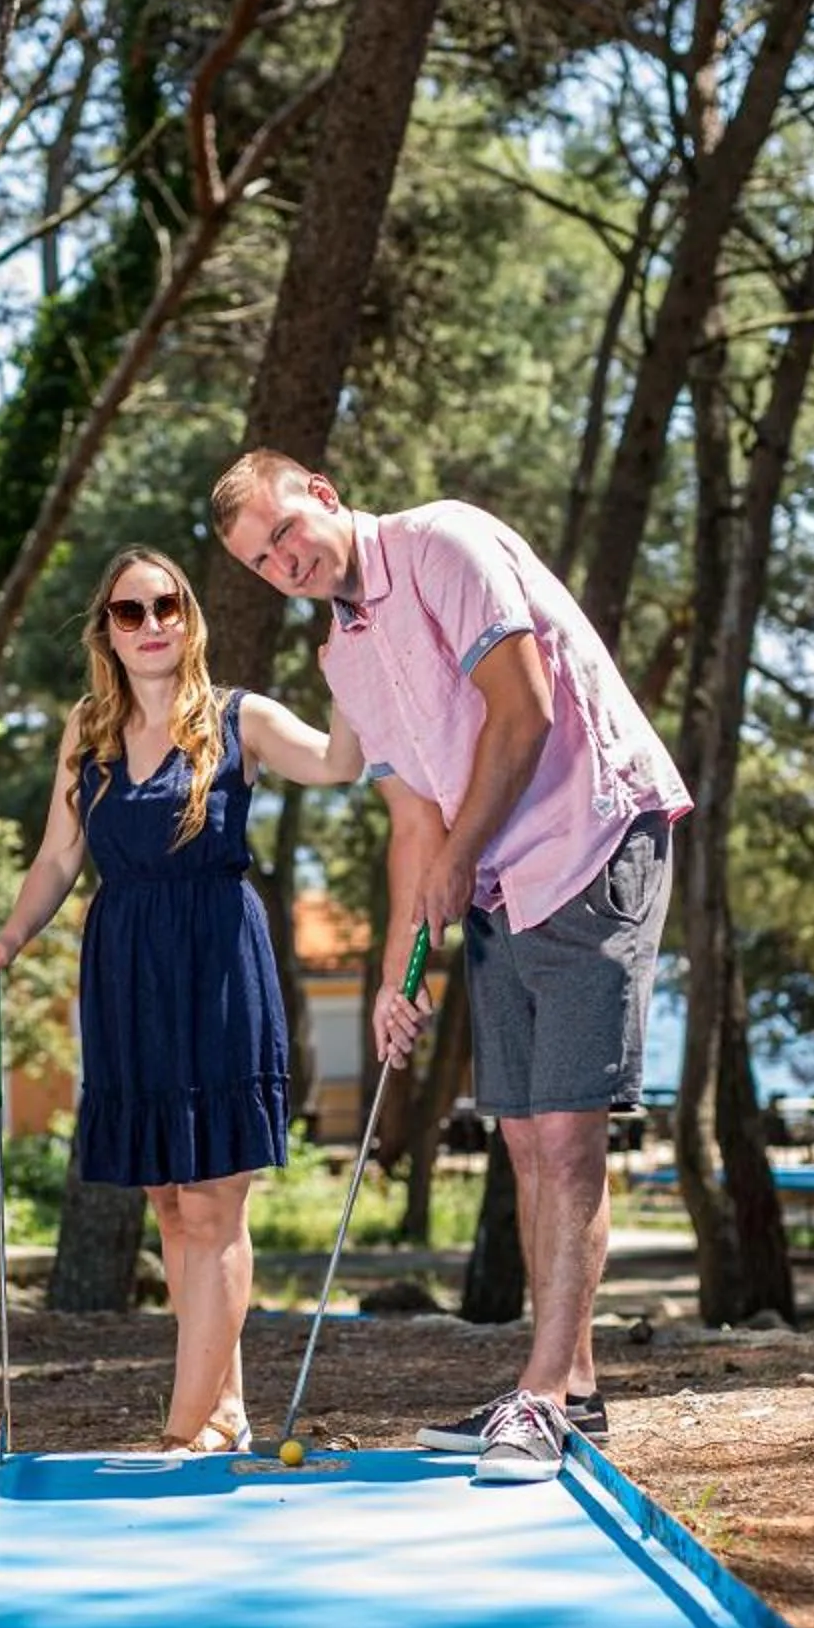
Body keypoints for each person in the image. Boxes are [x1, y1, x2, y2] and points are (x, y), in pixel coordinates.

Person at [212, 451, 690, 1485]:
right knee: (522, 1136)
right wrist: (400, 976)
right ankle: (571, 1393)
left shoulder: (441, 542)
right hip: (498, 877)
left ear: (326, 495)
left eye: (285, 533)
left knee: (565, 1136)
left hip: (590, 838)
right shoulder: (344, 656)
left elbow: (521, 714)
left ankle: (539, 1395)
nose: (283, 562)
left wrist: (458, 861)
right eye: (260, 562)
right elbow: (410, 826)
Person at [0, 544, 359, 1453]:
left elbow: (338, 763)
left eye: (166, 606)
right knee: (172, 1205)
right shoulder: (87, 730)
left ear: (190, 617)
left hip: (216, 964)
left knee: (216, 1204)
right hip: (127, 970)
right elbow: (60, 856)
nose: (151, 626)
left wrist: (351, 656)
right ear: (105, 628)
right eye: (130, 612)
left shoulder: (239, 719)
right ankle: (224, 1415)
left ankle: (182, 1432)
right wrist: (8, 939)